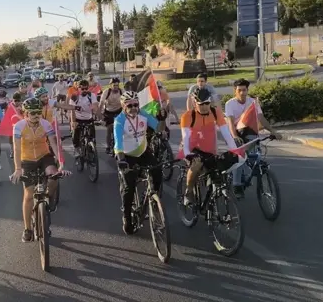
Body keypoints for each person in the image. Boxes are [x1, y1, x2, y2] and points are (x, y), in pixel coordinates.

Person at [10, 98, 68, 242]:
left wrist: (61, 163)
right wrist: (18, 169)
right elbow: (16, 149)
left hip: (44, 157)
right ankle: (27, 229)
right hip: (27, 160)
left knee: (54, 176)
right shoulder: (18, 126)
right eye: (32, 113)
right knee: (29, 195)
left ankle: (47, 198)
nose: (36, 115)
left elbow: (54, 144)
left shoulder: (46, 124)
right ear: (25, 114)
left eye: (38, 112)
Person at [113, 90, 167, 234]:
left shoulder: (143, 114)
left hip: (143, 152)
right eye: (129, 105)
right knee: (129, 187)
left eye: (136, 105)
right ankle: (127, 216)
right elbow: (118, 142)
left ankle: (153, 197)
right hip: (126, 155)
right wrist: (121, 159)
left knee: (157, 171)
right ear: (123, 106)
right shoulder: (119, 120)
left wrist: (162, 119)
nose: (133, 108)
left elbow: (159, 129)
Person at [180, 87, 238, 206]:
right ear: (195, 103)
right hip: (192, 149)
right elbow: (185, 138)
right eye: (201, 104)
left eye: (207, 103)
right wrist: (188, 154)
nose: (205, 107)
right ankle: (188, 192)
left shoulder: (216, 113)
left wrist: (235, 150)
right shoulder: (187, 116)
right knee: (197, 165)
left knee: (220, 170)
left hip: (210, 150)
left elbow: (226, 134)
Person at [224, 78, 281, 198]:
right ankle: (237, 185)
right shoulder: (230, 104)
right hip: (235, 133)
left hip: (249, 132)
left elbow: (261, 118)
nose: (242, 93)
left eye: (244, 90)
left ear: (247, 90)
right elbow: (229, 122)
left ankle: (255, 173)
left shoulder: (253, 102)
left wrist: (273, 131)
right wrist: (234, 136)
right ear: (235, 91)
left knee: (255, 156)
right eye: (239, 90)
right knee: (239, 158)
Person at [69, 79, 99, 157]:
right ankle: (76, 148)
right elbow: (72, 110)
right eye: (82, 89)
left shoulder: (91, 95)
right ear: (78, 88)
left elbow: (95, 106)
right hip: (78, 118)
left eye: (86, 88)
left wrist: (99, 116)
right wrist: (73, 122)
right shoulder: (74, 96)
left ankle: (92, 149)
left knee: (92, 136)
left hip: (89, 118)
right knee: (75, 132)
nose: (85, 90)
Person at [99, 78, 123, 154]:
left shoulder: (122, 91)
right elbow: (101, 103)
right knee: (109, 129)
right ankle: (108, 146)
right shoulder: (107, 92)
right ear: (110, 85)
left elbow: (126, 102)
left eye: (117, 85)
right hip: (108, 112)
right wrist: (99, 115)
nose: (116, 87)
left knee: (122, 129)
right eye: (114, 85)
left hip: (119, 111)